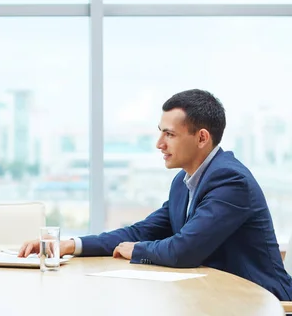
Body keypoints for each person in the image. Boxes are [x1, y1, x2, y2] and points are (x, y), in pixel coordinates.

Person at [19, 89, 292, 301]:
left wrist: (137, 251)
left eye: (170, 135)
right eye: (160, 133)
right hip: (212, 297)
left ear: (202, 138)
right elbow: (141, 231)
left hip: (261, 302)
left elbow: (184, 250)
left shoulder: (231, 181)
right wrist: (73, 245)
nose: (159, 144)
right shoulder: (182, 183)